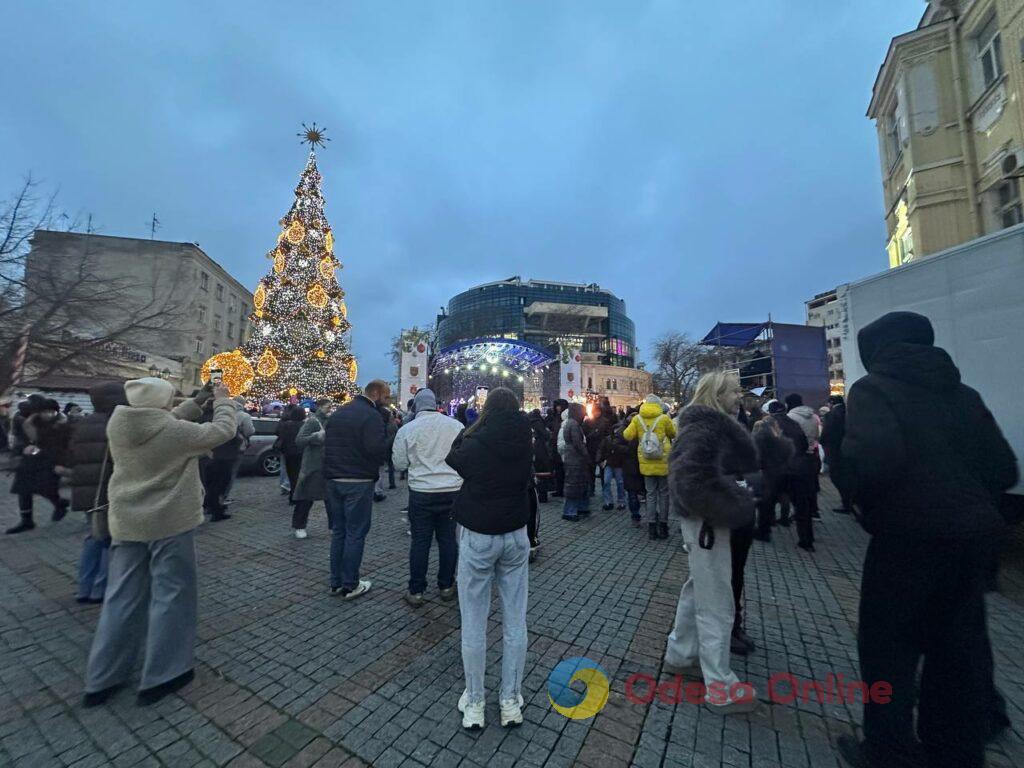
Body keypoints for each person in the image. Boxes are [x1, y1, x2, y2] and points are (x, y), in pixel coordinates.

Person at [836, 312, 1018, 768]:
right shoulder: (964, 395)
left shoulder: (874, 390)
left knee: (888, 652)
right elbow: (1003, 469)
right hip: (972, 543)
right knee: (959, 654)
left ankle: (888, 751)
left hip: (907, 542)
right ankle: (956, 751)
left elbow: (870, 463)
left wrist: (865, 503)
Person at [83, 378, 235, 707]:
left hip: (127, 522)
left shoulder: (120, 423)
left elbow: (165, 421)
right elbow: (221, 431)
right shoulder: (174, 434)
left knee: (120, 598)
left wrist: (198, 400)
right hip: (168, 522)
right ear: (162, 402)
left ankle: (102, 678)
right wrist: (223, 401)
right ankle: (165, 673)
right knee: (173, 595)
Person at [664, 372, 759, 714]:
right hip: (708, 524)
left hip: (706, 522)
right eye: (734, 392)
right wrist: (732, 503)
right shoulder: (705, 430)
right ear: (718, 395)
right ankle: (720, 686)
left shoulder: (708, 427)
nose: (739, 397)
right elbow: (690, 481)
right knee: (716, 600)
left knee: (699, 587)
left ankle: (681, 652)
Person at [444, 387, 533, 730]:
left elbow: (454, 458)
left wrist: (469, 428)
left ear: (487, 409)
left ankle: (476, 702)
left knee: (474, 620)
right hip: (515, 534)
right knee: (515, 619)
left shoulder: (476, 442)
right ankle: (510, 699)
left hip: (479, 534)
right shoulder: (525, 439)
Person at [392, 388, 463, 607]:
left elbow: (400, 464)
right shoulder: (456, 426)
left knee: (420, 541)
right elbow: (464, 457)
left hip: (422, 492)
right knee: (448, 540)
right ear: (435, 403)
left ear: (416, 406)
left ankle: (416, 590)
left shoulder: (407, 429)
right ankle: (446, 585)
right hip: (452, 491)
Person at [322, 380, 391, 600]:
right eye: (386, 396)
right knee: (355, 533)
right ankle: (350, 584)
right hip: (358, 481)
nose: (388, 401)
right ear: (376, 394)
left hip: (333, 479)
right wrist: (388, 439)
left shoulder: (339, 413)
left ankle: (336, 582)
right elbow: (375, 449)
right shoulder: (371, 416)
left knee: (339, 532)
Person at [69, 382, 128, 604]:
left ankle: (84, 587)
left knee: (93, 537)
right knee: (111, 539)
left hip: (87, 491)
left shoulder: (83, 423)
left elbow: (71, 454)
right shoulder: (117, 423)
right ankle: (101, 587)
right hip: (112, 488)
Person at [7, 396, 71, 534]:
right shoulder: (32, 422)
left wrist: (62, 464)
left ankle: (59, 504)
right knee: (23, 489)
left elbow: (65, 447)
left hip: (52, 461)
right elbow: (29, 439)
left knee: (46, 488)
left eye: (50, 411)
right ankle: (26, 520)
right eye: (43, 411)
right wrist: (26, 448)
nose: (46, 414)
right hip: (33, 460)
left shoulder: (62, 424)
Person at [623, 394, 677, 540]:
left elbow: (627, 435)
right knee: (664, 495)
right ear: (658, 404)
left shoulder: (637, 418)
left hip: (646, 462)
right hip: (662, 461)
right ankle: (664, 527)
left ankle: (652, 528)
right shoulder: (664, 418)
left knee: (650, 495)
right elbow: (673, 433)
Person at [771, 396, 817, 551]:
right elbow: (806, 443)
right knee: (802, 505)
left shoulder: (782, 422)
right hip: (804, 465)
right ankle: (807, 540)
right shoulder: (810, 418)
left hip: (784, 467)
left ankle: (766, 526)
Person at [291, 398, 335, 539]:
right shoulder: (312, 421)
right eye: (328, 407)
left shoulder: (332, 421)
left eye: (330, 407)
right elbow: (299, 440)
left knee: (331, 499)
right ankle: (299, 526)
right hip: (313, 464)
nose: (330, 409)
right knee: (305, 497)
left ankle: (334, 526)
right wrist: (316, 437)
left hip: (328, 464)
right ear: (320, 407)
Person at [751, 417, 793, 544]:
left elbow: (756, 458)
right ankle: (778, 521)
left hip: (766, 475)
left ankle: (763, 530)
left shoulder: (759, 439)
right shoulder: (784, 442)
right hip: (782, 474)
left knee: (762, 503)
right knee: (775, 500)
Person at [820, 394, 852, 514]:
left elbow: (826, 434)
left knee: (836, 476)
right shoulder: (848, 412)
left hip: (834, 450)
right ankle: (851, 501)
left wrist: (822, 442)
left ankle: (846, 502)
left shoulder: (831, 415)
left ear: (831, 402)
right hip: (847, 449)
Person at [559, 403, 591, 522]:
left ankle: (580, 508)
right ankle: (569, 511)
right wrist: (586, 454)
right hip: (574, 459)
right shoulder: (573, 424)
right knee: (573, 485)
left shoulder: (571, 423)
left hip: (574, 458)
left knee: (578, 484)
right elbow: (577, 443)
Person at [276, 404, 307, 515]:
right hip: (301, 453)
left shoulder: (286, 425)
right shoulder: (304, 425)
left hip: (289, 453)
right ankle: (299, 496)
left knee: (291, 475)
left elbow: (280, 436)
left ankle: (292, 496)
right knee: (300, 475)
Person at [223, 396, 255, 503]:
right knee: (231, 473)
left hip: (220, 446)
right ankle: (224, 496)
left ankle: (212, 497)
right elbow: (249, 431)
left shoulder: (224, 412)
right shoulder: (244, 416)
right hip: (237, 447)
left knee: (219, 472)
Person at [596, 418, 629, 511]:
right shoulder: (608, 439)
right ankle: (608, 501)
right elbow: (600, 449)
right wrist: (600, 460)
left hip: (618, 463)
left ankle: (621, 501)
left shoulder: (623, 440)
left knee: (620, 483)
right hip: (609, 463)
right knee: (607, 481)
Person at [546, 399, 569, 497]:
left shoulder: (565, 418)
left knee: (564, 471)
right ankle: (559, 489)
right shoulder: (556, 417)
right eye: (556, 406)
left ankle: (564, 489)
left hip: (563, 447)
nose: (557, 408)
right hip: (555, 446)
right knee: (558, 470)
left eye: (559, 406)